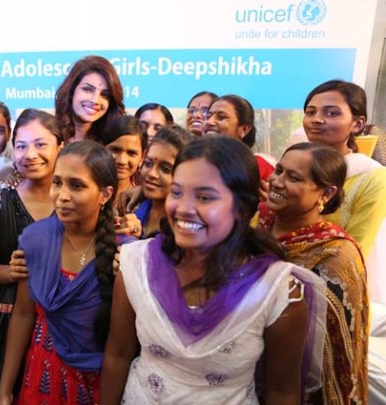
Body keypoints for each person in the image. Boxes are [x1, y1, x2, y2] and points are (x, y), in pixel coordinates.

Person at [100, 137, 327, 404]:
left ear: (241, 208)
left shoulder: (279, 290)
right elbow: (118, 353)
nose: (183, 209)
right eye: (177, 192)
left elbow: (282, 391)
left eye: (205, 197)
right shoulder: (136, 263)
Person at [0, 141, 117, 405]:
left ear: (105, 194)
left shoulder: (122, 255)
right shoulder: (36, 239)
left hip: (98, 383)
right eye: (58, 182)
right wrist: (5, 391)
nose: (62, 195)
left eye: (77, 185)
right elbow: (23, 314)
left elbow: (121, 347)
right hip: (41, 375)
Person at [257, 142, 368, 403]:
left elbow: (339, 344)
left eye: (293, 177)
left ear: (326, 193)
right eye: (279, 170)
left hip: (299, 383)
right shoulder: (257, 222)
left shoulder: (337, 255)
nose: (276, 182)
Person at [0, 109, 63, 403]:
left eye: (40, 144)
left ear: (60, 146)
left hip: (58, 327)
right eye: (21, 145)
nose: (30, 154)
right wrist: (10, 273)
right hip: (3, 324)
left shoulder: (74, 199)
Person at [302, 80, 386, 307]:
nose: (317, 119)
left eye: (331, 113)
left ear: (357, 124)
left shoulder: (371, 176)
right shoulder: (295, 168)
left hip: (339, 294)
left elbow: (356, 249)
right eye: (311, 112)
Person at [134, 124, 193, 238]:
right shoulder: (130, 207)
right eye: (148, 163)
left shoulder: (186, 225)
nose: (152, 174)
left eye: (166, 169)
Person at [203, 94, 276, 183]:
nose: (209, 122)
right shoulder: (193, 163)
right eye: (208, 117)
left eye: (221, 117)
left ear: (244, 129)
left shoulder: (260, 168)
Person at [55, 55, 125, 143]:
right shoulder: (50, 136)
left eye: (105, 95)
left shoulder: (110, 144)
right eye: (87, 90)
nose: (95, 100)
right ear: (72, 91)